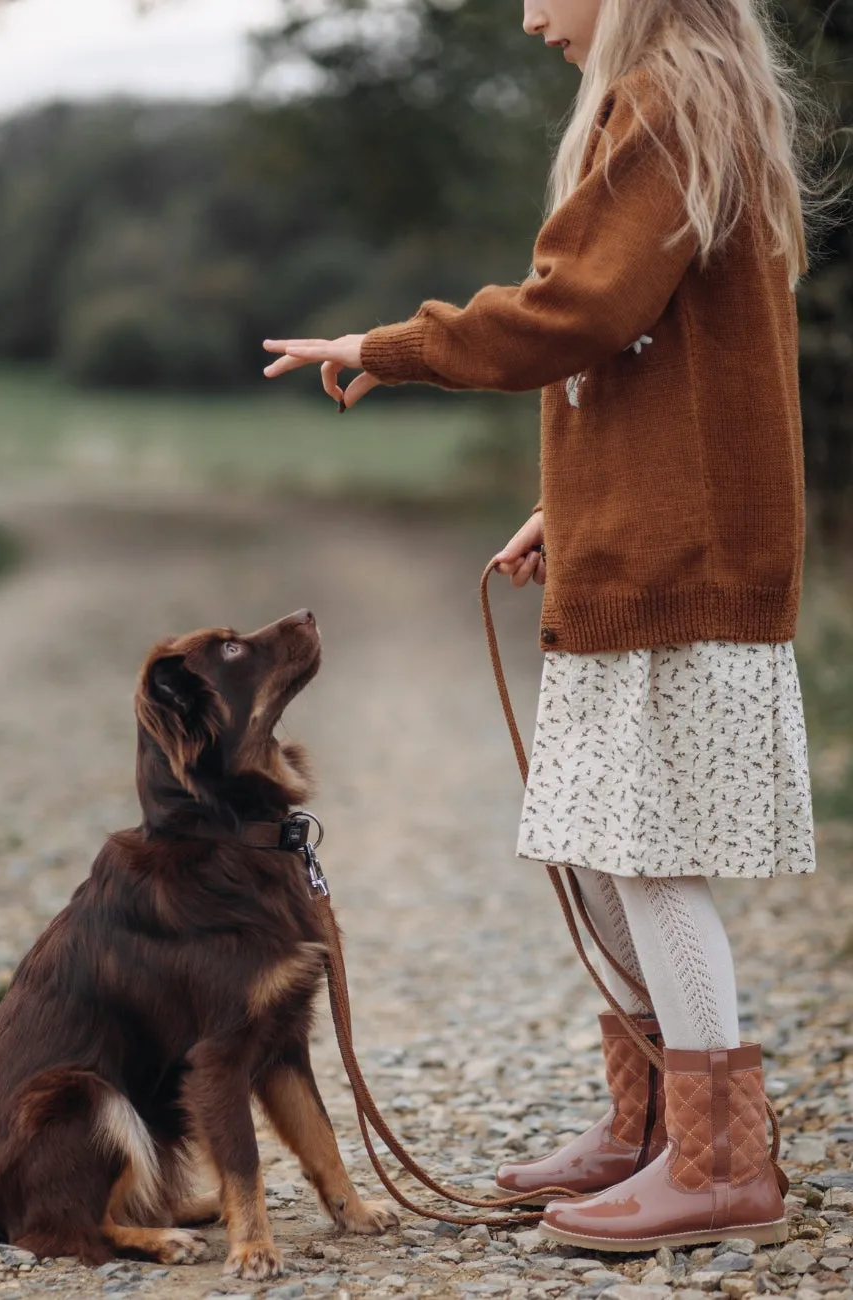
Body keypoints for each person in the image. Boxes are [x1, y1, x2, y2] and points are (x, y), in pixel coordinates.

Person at [263, 0, 819, 1253]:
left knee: (644, 849)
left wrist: (385, 343)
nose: (528, 17)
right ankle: (653, 1132)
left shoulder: (669, 98)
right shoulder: (679, 99)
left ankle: (722, 1163)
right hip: (656, 535)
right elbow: (656, 354)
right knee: (595, 839)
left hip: (685, 563)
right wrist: (567, 501)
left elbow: (574, 309)